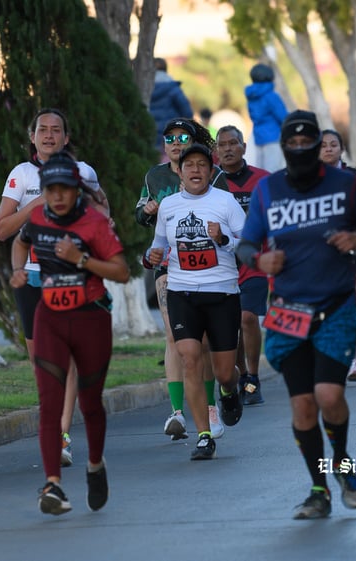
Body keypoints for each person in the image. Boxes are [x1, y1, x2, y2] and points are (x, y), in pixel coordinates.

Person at [236, 110, 356, 520]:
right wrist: (260, 260)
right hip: (288, 311)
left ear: (319, 144)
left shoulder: (347, 184)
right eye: (293, 144)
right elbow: (245, 245)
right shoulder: (268, 191)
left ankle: (342, 462)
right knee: (303, 407)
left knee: (329, 395)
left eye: (307, 143)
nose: (300, 150)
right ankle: (318, 489)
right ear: (284, 147)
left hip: (335, 306)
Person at [9, 152, 130, 515]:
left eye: (65, 189)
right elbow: (20, 241)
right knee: (49, 401)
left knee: (90, 404)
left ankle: (95, 465)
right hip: (51, 318)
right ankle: (53, 485)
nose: (58, 196)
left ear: (77, 191)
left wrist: (81, 259)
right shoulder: (37, 218)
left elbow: (122, 272)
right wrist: (18, 271)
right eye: (51, 190)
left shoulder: (94, 223)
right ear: (43, 191)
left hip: (90, 318)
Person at [0, 108, 109, 468]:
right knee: (41, 361)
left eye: (55, 130)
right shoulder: (21, 175)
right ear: (32, 138)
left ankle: (61, 435)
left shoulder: (83, 172)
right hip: (32, 277)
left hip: (71, 277)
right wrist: (36, 203)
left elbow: (105, 215)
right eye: (41, 130)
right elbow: (2, 230)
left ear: (66, 138)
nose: (48, 135)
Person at [147, 144, 245, 461]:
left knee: (225, 371)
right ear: (179, 170)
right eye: (189, 165)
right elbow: (158, 246)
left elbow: (248, 246)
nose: (195, 170)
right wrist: (152, 256)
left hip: (221, 293)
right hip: (182, 292)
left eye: (202, 165)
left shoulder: (226, 202)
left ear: (211, 170)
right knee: (189, 357)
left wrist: (223, 239)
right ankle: (204, 436)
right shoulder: (169, 206)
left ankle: (229, 391)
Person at [136, 118, 228, 441]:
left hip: (209, 268)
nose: (176, 143)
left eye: (183, 137)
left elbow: (230, 218)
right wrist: (148, 209)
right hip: (169, 265)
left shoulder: (213, 175)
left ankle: (212, 405)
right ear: (164, 146)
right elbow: (139, 213)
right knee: (175, 338)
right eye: (170, 138)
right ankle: (177, 413)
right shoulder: (154, 176)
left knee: (202, 343)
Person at [216, 125, 270, 405]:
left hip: (254, 261)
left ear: (243, 147)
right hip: (220, 264)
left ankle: (253, 378)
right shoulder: (209, 183)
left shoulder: (264, 181)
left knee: (246, 317)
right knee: (229, 325)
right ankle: (236, 376)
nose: (227, 149)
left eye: (232, 143)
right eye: (221, 144)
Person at [320, 129, 356, 381]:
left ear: (342, 149)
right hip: (322, 250)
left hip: (354, 247)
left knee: (350, 299)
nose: (329, 149)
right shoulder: (308, 179)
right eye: (323, 145)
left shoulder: (354, 176)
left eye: (334, 144)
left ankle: (353, 361)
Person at [245, 63, 288, 172]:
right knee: (273, 170)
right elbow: (283, 117)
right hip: (274, 136)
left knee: (260, 170)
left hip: (258, 136)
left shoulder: (251, 96)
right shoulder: (271, 96)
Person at [149, 58, 193, 154]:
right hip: (170, 136)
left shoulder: (144, 88)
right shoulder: (172, 88)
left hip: (148, 135)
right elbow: (187, 112)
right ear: (166, 69)